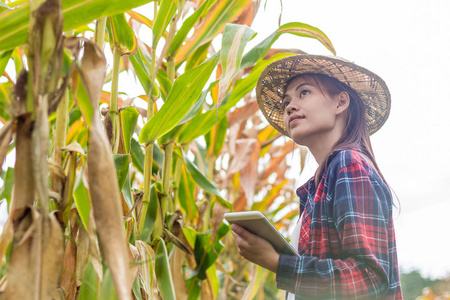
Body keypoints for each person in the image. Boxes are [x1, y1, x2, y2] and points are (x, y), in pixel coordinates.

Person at [230, 55, 403, 299]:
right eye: (286, 101)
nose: (289, 106)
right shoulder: (317, 185)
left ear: (340, 103)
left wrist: (277, 262)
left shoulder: (348, 165)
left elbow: (370, 278)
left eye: (304, 93)